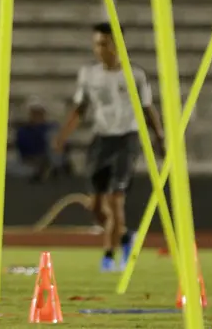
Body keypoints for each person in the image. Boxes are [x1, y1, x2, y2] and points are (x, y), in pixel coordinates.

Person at [53, 22, 165, 272]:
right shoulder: (89, 75)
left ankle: (109, 256)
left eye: (104, 44)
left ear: (117, 45)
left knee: (115, 201)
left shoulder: (135, 75)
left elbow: (148, 108)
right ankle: (125, 236)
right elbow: (80, 108)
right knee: (96, 207)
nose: (99, 49)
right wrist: (62, 137)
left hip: (127, 138)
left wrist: (159, 137)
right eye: (96, 44)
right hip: (101, 139)